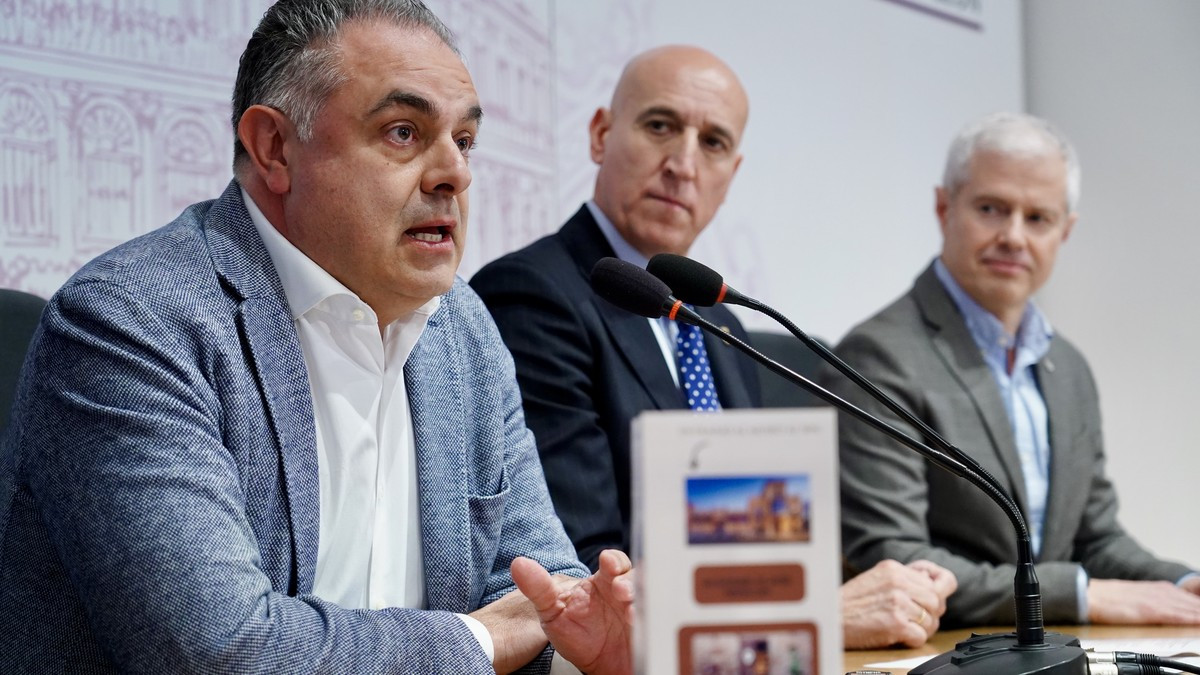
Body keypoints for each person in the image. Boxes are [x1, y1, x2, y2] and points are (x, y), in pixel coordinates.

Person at [0, 1, 633, 673]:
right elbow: (220, 650)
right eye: (402, 132)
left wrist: (585, 646)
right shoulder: (135, 321)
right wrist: (479, 642)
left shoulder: (464, 327)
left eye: (465, 140)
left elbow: (537, 591)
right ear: (274, 147)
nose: (456, 173)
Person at [471, 45, 956, 649]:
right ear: (600, 135)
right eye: (660, 126)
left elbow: (759, 536)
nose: (683, 163)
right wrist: (812, 614)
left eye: (713, 143)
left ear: (733, 172)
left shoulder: (718, 320)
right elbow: (590, 567)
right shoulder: (533, 294)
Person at [827, 111, 1200, 627]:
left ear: (1064, 232)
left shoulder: (1068, 366)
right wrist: (1082, 595)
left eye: (1038, 218)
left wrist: (1182, 583)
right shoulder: (877, 356)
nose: (1014, 236)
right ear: (944, 208)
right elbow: (895, 558)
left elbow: (1096, 538)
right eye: (991, 208)